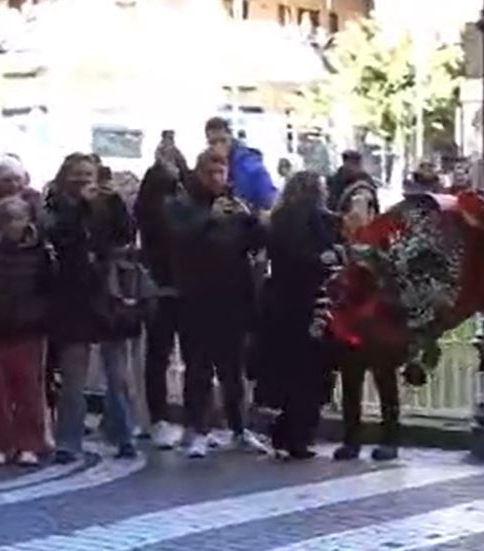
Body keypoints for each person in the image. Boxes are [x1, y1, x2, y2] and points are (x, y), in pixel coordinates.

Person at [165, 148, 267, 459]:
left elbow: (257, 243)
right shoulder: (181, 204)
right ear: (198, 173)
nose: (217, 178)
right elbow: (180, 237)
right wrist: (211, 219)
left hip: (233, 298)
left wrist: (252, 220)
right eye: (211, 172)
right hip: (196, 297)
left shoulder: (234, 204)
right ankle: (196, 429)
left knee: (232, 369)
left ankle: (238, 428)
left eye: (221, 172)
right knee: (198, 368)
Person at [45, 153, 139, 464]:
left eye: (89, 173)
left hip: (106, 294)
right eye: (77, 173)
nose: (84, 179)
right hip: (73, 298)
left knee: (117, 375)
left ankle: (123, 435)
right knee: (74, 378)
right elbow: (61, 237)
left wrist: (117, 204)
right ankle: (68, 442)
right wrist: (82, 206)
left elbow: (124, 235)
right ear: (65, 176)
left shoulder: (106, 203)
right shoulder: (55, 206)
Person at [253, 171, 338, 460]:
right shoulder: (314, 219)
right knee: (309, 372)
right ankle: (299, 434)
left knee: (286, 370)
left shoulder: (278, 218)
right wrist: (327, 258)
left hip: (278, 301)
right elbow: (319, 255)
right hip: (309, 300)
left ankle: (281, 432)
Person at [0, 195, 54, 467]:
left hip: (28, 328)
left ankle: (29, 442)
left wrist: (40, 315)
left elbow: (48, 289)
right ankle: (1, 442)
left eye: (19, 218)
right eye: (9, 219)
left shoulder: (40, 255)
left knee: (28, 389)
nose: (14, 225)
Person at [134, 138, 190, 449]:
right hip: (168, 285)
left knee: (161, 355)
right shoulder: (165, 203)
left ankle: (160, 418)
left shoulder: (157, 200)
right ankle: (161, 417)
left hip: (165, 284)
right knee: (164, 355)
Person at [204, 117, 277, 211]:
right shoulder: (205, 167)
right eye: (213, 143)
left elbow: (268, 200)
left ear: (230, 137)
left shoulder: (250, 166)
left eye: (223, 141)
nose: (219, 146)